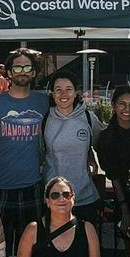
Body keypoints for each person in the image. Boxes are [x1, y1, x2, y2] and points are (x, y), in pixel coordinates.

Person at [0, 48, 51, 254]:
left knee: (32, 250)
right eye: (17, 67)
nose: (22, 71)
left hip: (34, 185)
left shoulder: (44, 101)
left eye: (27, 67)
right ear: (8, 73)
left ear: (34, 72)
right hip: (0, 186)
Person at [41, 72, 103, 223]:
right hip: (54, 197)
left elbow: (103, 146)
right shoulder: (45, 119)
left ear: (76, 93)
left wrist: (90, 155)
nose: (64, 94)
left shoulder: (88, 118)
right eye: (58, 89)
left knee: (86, 244)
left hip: (84, 196)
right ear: (52, 94)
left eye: (68, 89)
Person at [94, 86, 130, 235]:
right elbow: (113, 176)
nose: (127, 109)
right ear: (113, 105)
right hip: (125, 195)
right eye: (122, 104)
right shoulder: (107, 138)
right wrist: (125, 210)